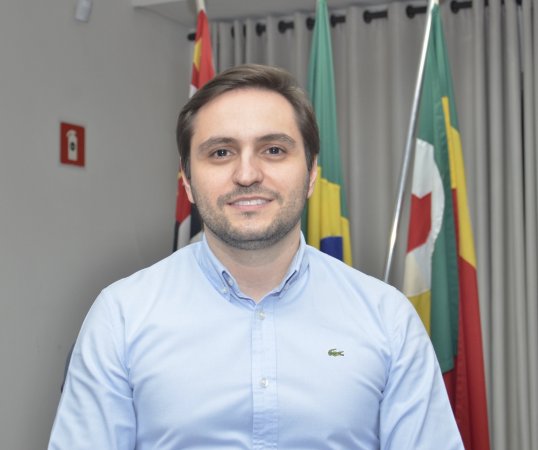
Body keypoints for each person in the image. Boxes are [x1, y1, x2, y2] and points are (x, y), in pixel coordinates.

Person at [48, 64, 464, 449]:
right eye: (221, 152)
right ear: (187, 181)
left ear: (311, 174)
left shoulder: (387, 320)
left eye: (274, 150)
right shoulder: (121, 317)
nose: (247, 175)